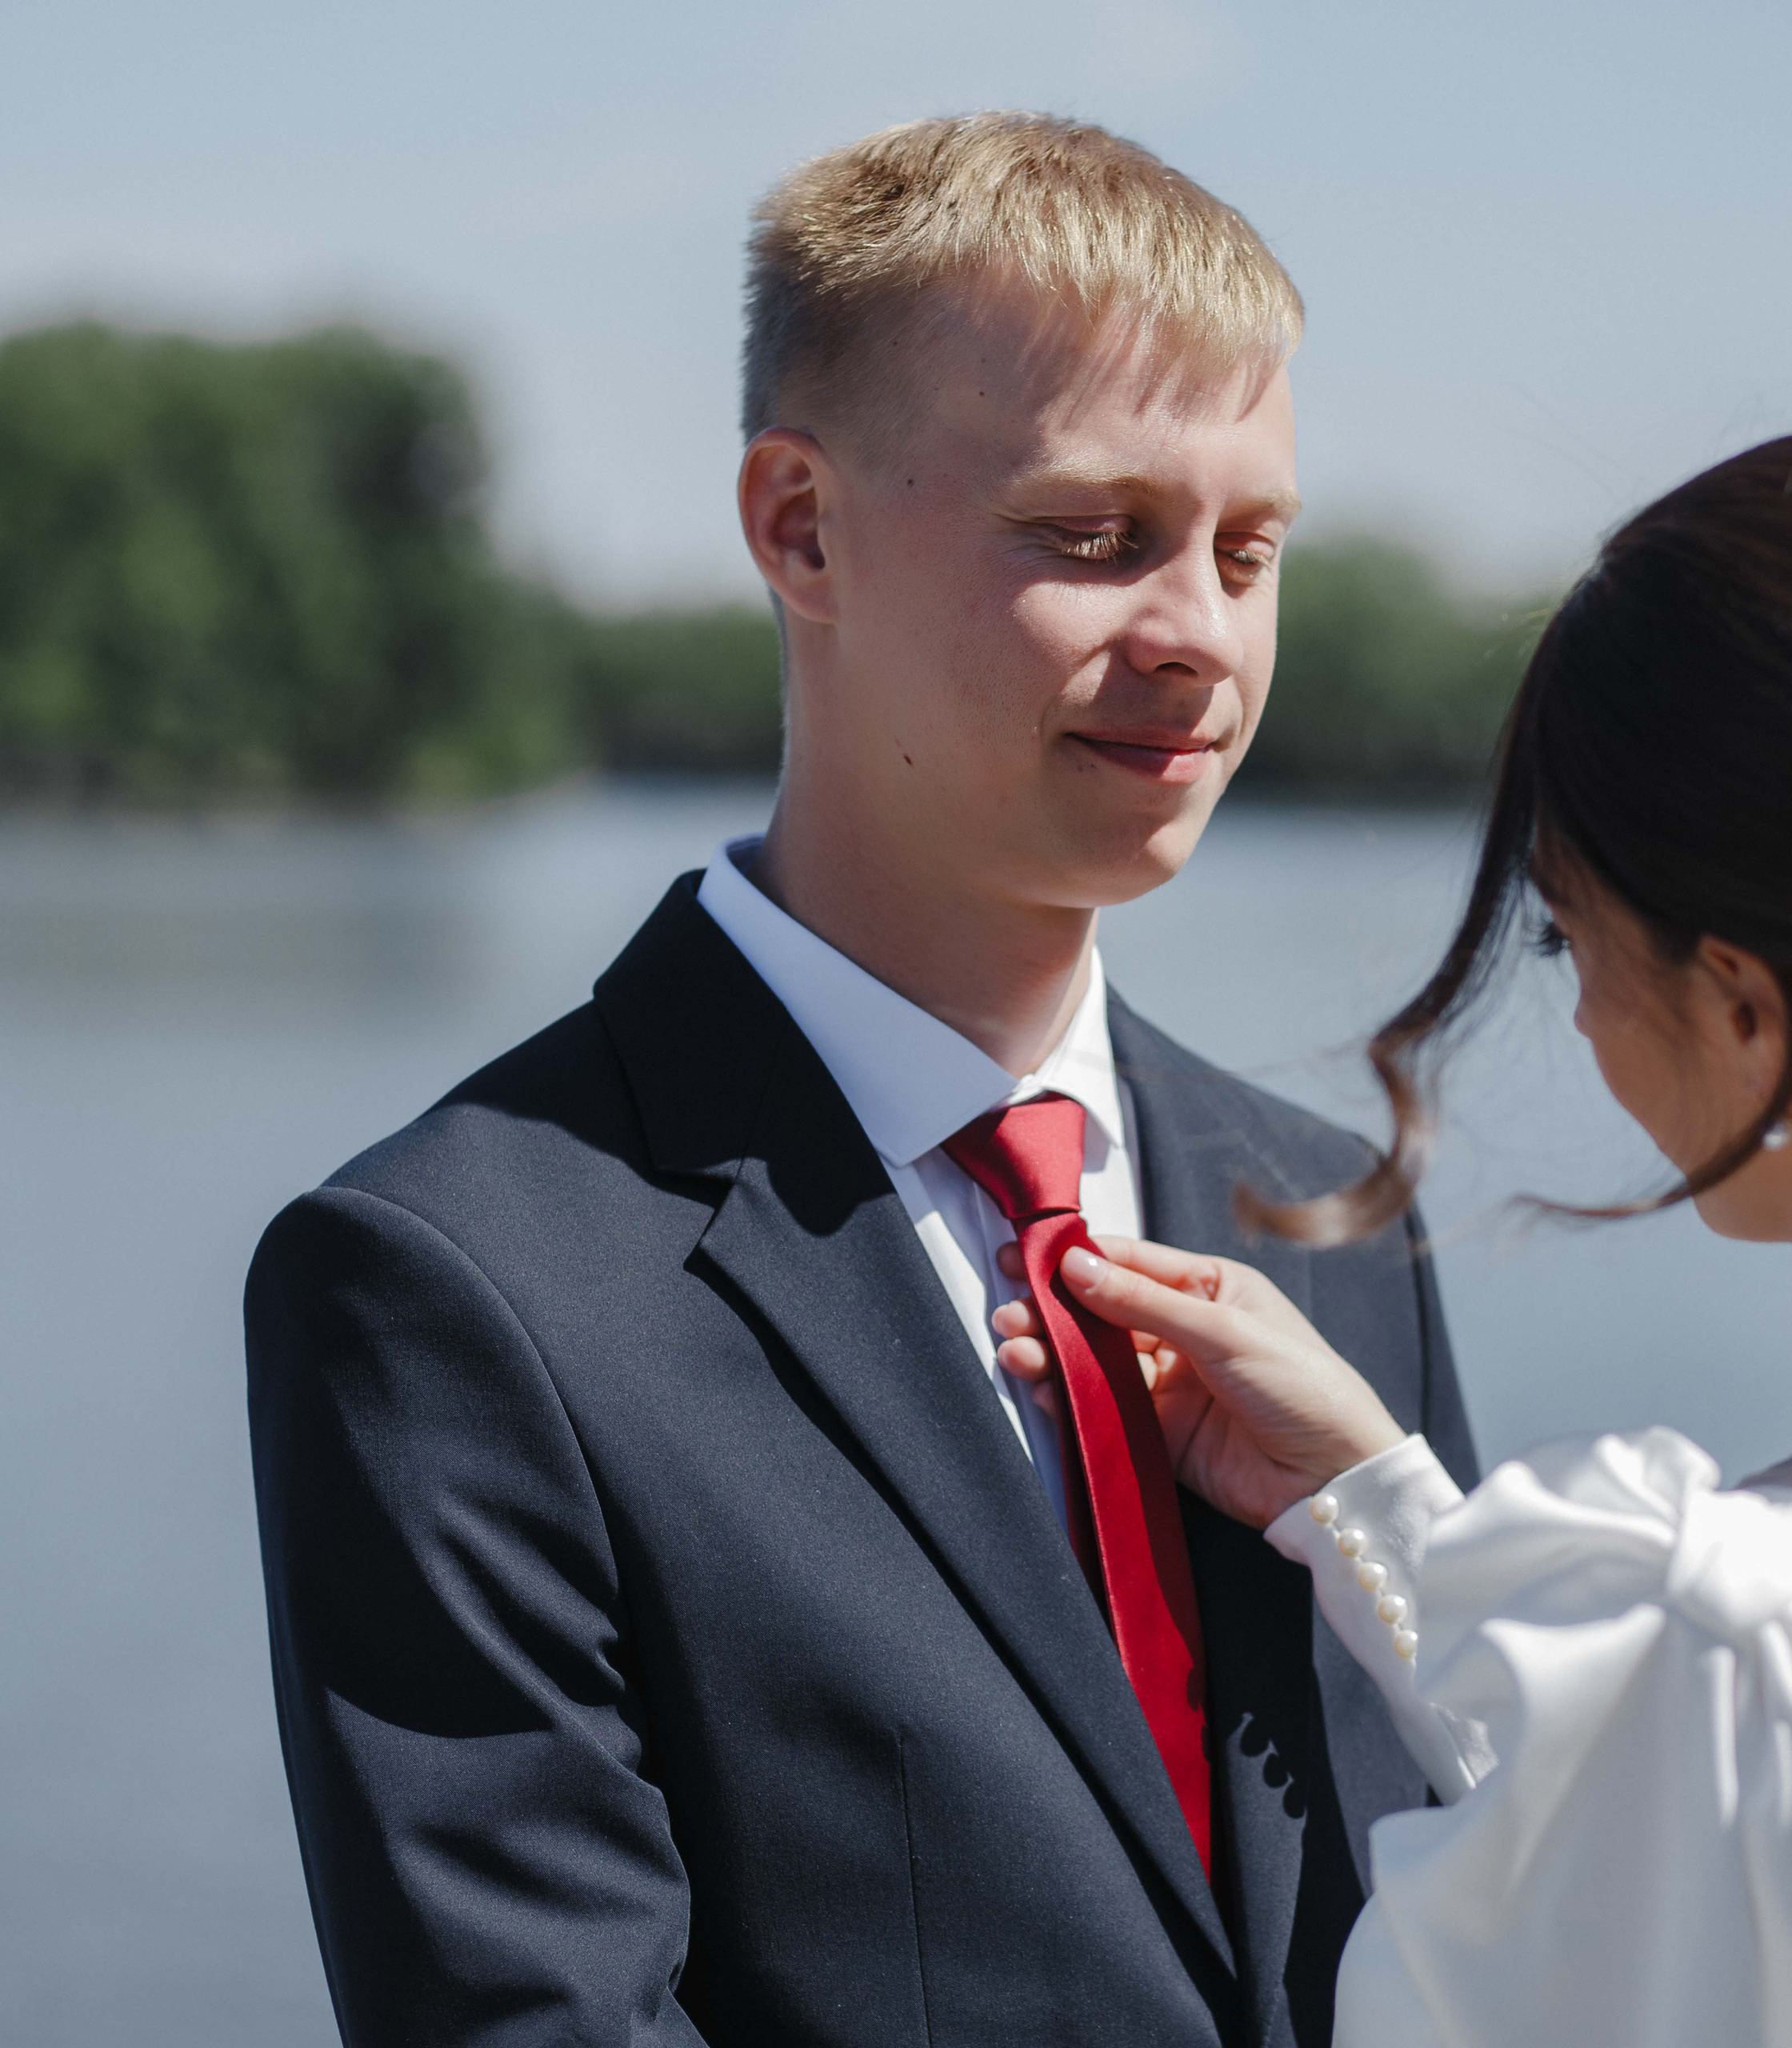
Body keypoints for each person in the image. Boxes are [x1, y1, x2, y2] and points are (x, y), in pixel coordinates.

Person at [243, 114, 1477, 2048]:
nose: (1201, 639)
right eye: (1094, 536)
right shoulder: (454, 1280)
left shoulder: (1327, 1215)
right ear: (798, 526)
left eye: (1248, 550)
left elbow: (1497, 1922)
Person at [997, 427, 1792, 2044]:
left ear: (1743, 1007)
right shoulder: (1776, 1655)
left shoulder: (1744, 1651)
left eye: (1566, 934)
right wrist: (1375, 1512)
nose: (1567, 1006)